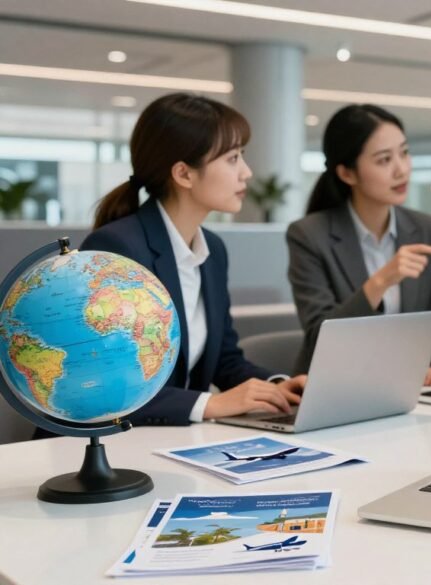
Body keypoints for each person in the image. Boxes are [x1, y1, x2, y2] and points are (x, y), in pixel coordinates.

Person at [81, 93, 306, 427]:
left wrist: (276, 386)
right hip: (104, 449)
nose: (246, 172)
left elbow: (224, 360)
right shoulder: (118, 248)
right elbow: (105, 384)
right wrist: (209, 404)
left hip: (174, 441)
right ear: (184, 174)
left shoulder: (211, 250)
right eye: (232, 158)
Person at [287, 105, 431, 385]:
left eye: (404, 152)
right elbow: (320, 335)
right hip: (334, 387)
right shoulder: (308, 235)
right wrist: (381, 281)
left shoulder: (426, 229)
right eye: (384, 160)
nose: (401, 169)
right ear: (347, 174)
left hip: (410, 392)